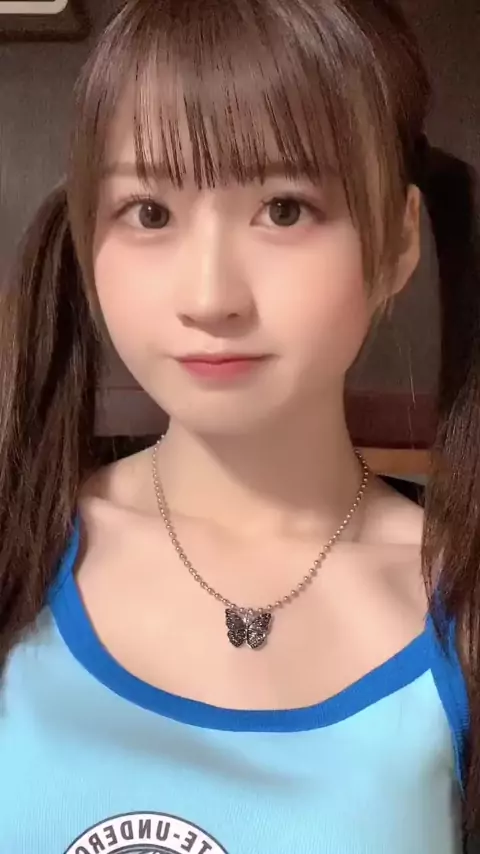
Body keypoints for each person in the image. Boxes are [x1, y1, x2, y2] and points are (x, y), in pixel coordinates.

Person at [0, 1, 479, 852]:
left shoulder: (460, 605)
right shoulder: (17, 552)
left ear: (399, 242)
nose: (210, 296)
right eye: (149, 213)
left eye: (285, 209)